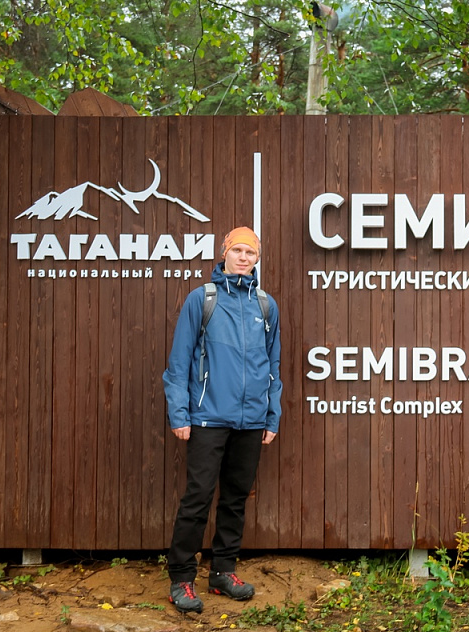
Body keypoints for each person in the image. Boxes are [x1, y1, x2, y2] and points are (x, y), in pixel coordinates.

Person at [162, 226, 282, 614]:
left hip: (252, 421)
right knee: (198, 498)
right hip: (208, 417)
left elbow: (273, 365)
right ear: (225, 253)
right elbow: (179, 361)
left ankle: (222, 572)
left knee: (235, 499)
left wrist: (272, 415)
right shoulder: (203, 299)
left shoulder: (266, 305)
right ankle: (181, 578)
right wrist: (179, 412)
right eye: (238, 250)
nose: (244, 257)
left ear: (257, 259)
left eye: (251, 252)